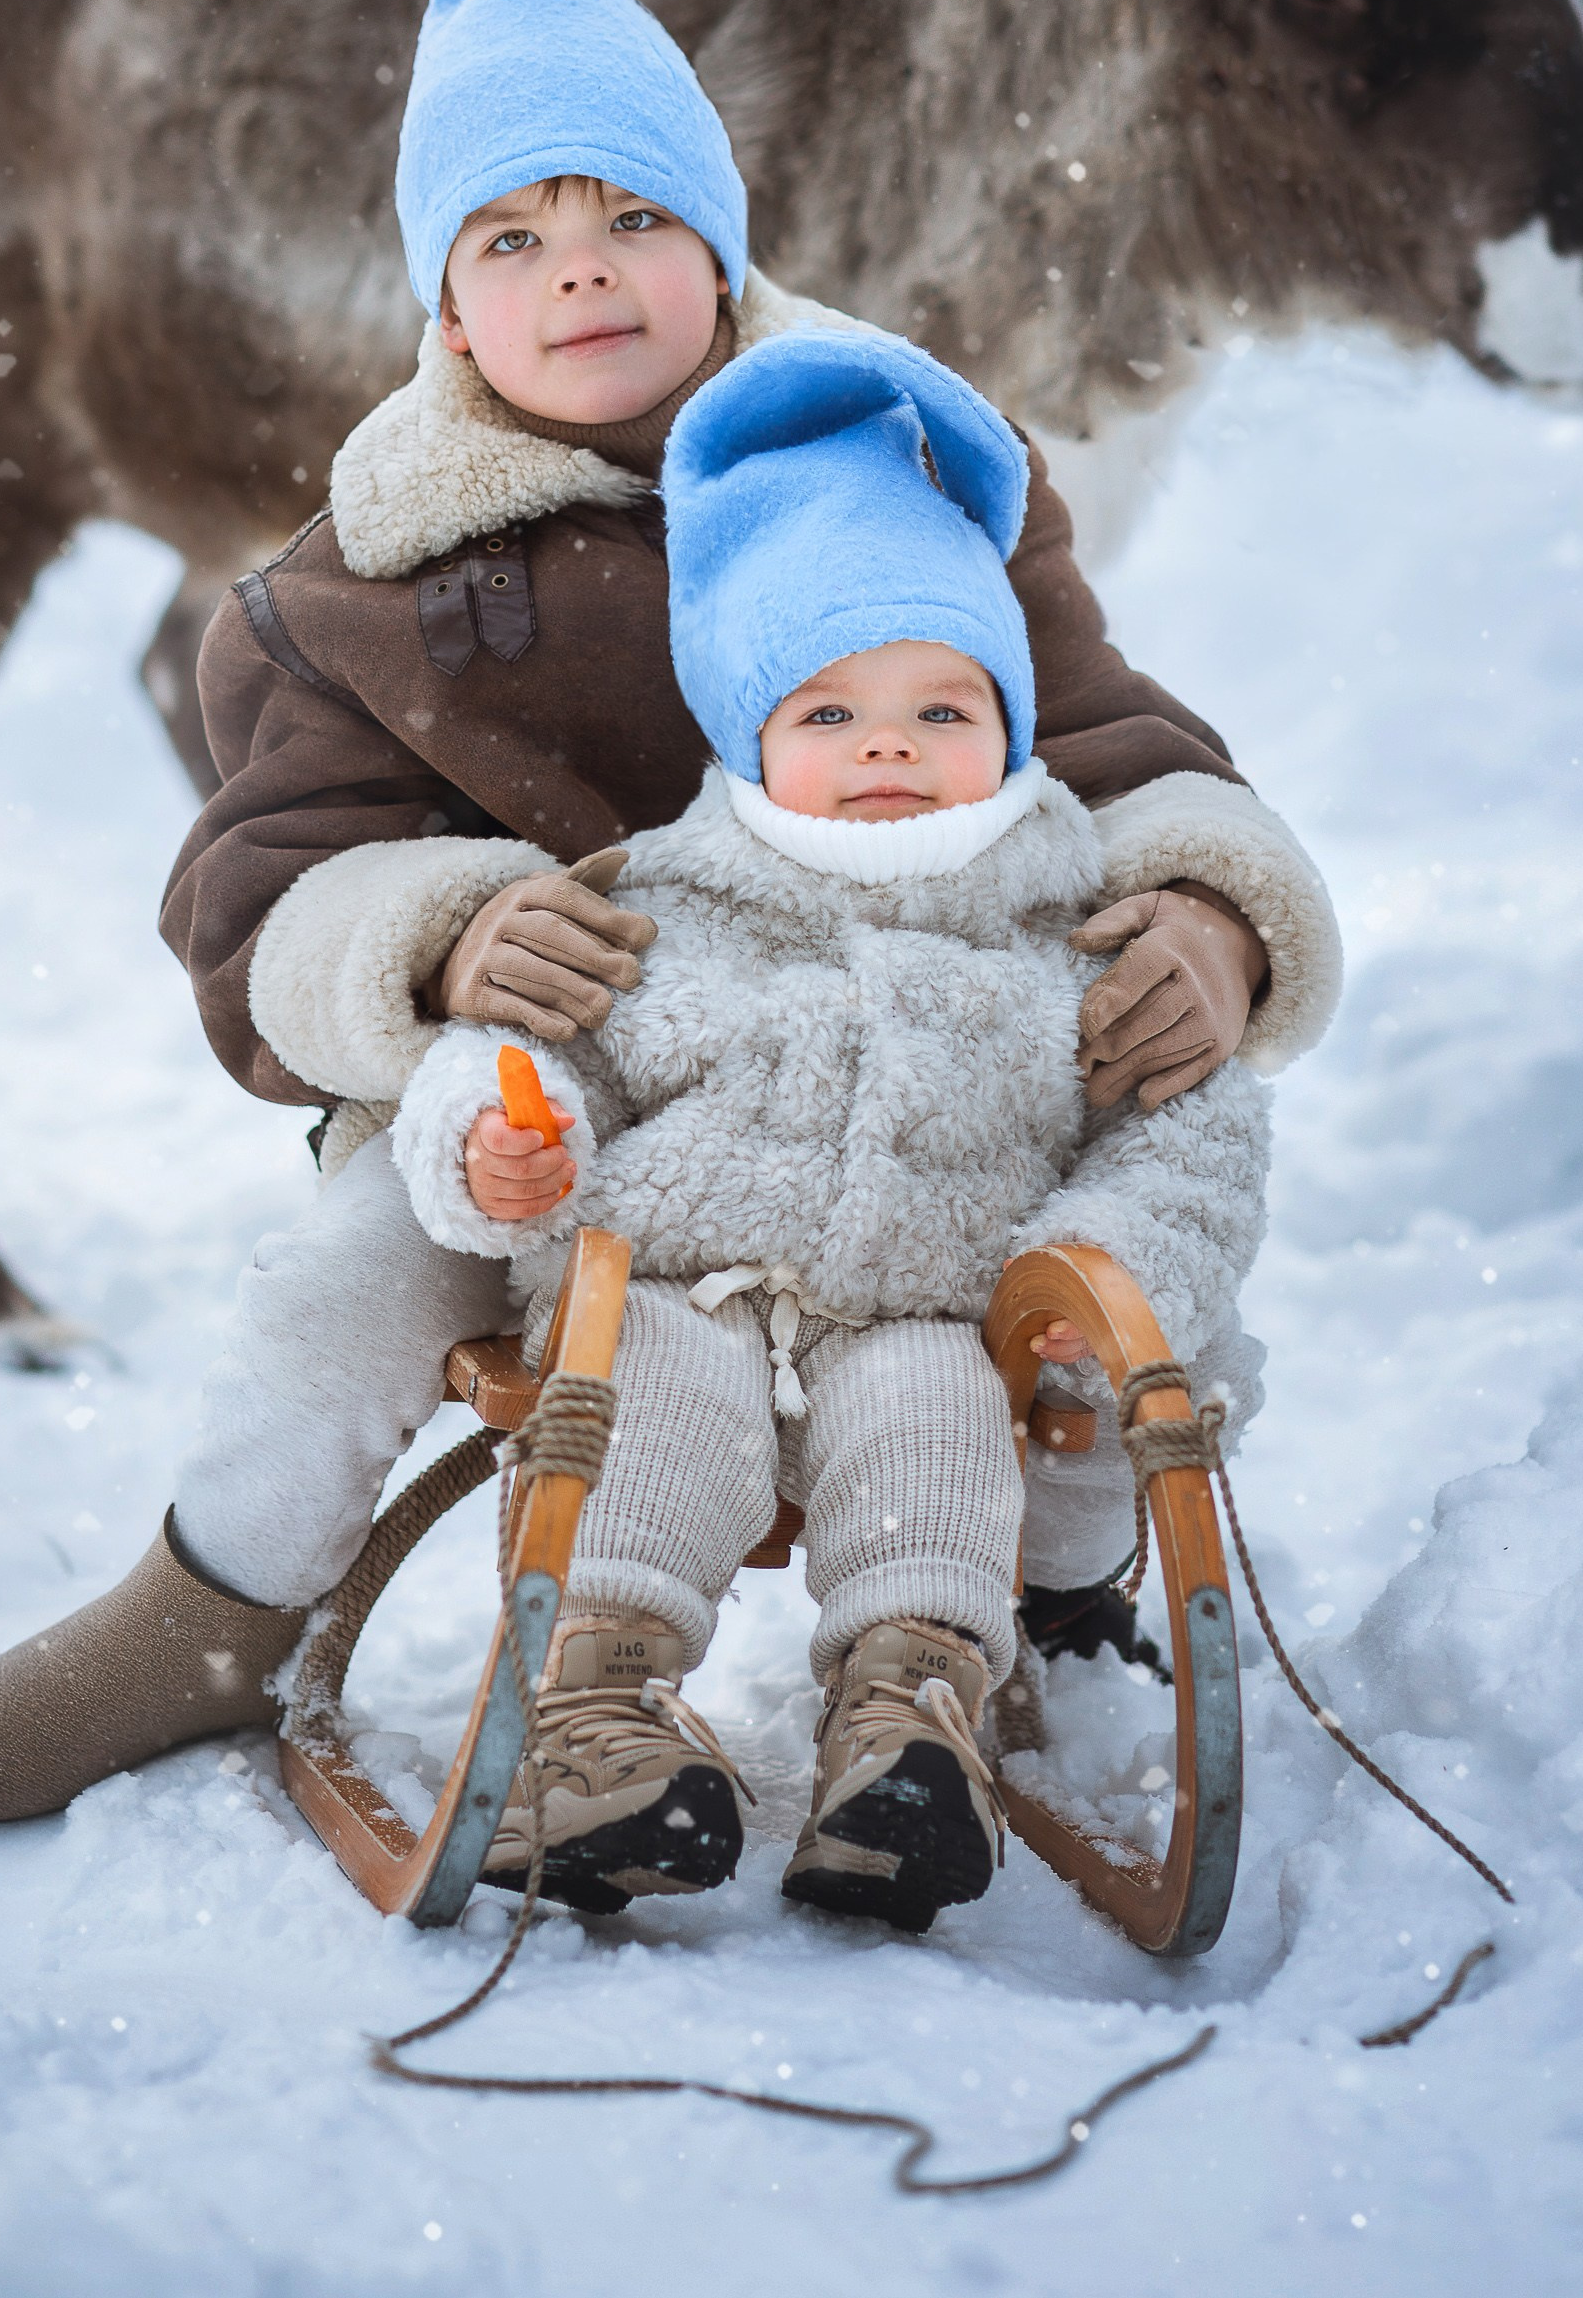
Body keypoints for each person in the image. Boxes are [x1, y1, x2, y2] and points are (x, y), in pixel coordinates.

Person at [0, 0, 1338, 1827]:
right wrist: (429, 939)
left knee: (1125, 1219)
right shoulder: (368, 576)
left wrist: (1211, 907)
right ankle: (218, 1593)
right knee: (348, 1266)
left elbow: (1111, 733)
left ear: (722, 231)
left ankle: (1065, 1595)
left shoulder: (904, 463)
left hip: (899, 1054)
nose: (581, 271)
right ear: (443, 300)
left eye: (635, 215)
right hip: (551, 1100)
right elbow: (258, 889)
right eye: (515, 233)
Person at [387, 328, 1334, 1929]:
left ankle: (910, 1719)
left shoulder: (1074, 927)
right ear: (748, 741)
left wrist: (1088, 1280)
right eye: (827, 712)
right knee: (646, 1399)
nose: (886, 743)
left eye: (937, 706)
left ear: (1012, 726)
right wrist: (495, 1143)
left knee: (933, 1423)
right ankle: (597, 1709)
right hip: (682, 1285)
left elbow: (1190, 1132)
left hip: (938, 1305)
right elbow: (521, 1064)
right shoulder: (664, 912)